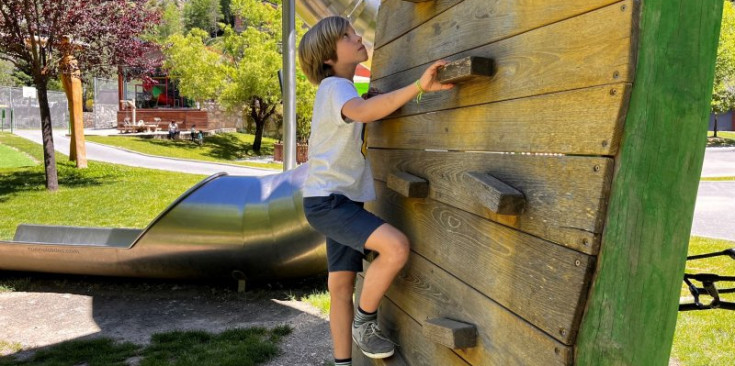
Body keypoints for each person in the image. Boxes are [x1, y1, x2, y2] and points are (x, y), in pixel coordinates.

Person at [297, 16, 453, 366]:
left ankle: (342, 363)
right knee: (395, 247)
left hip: (334, 201)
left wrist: (369, 97)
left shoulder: (342, 91)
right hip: (331, 203)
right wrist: (419, 86)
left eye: (354, 32)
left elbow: (360, 110)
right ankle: (365, 323)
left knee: (340, 289)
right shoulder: (335, 86)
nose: (357, 37)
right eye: (346, 36)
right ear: (328, 57)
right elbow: (364, 113)